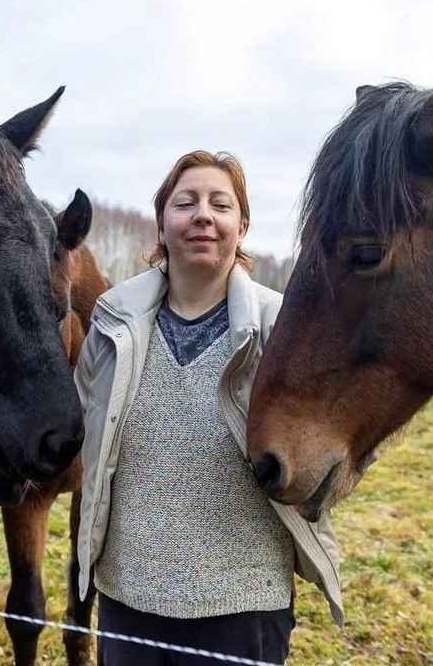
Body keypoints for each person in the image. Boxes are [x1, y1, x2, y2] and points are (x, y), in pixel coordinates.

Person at [74, 150, 343, 665]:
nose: (203, 214)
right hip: (129, 597)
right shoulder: (111, 325)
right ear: (161, 223)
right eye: (185, 202)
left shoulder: (281, 330)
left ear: (241, 227)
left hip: (242, 606)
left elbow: (326, 451)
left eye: (221, 204)